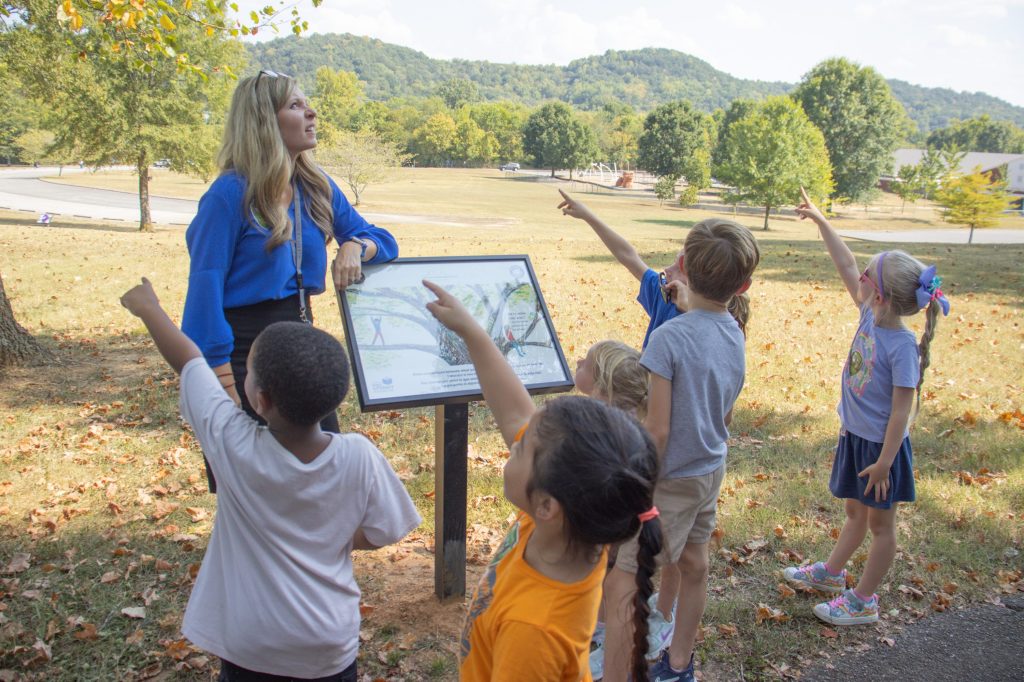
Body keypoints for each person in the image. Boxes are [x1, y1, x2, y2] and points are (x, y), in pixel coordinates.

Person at [120, 278, 421, 682]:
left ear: (259, 400)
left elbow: (191, 361)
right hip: (328, 644)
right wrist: (339, 536)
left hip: (251, 644)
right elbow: (387, 529)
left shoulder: (231, 443)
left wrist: (149, 308)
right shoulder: (358, 455)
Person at [422, 280, 662, 682]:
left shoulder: (533, 632)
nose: (514, 441)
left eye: (521, 449)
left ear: (548, 505)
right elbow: (516, 413)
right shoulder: (572, 524)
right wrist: (473, 332)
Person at [182, 70, 398, 490]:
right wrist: (227, 393)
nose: (312, 112)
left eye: (307, 103)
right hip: (243, 353)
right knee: (254, 492)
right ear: (265, 120)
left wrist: (355, 246)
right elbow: (203, 300)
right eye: (296, 106)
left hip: (301, 349)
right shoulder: (229, 196)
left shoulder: (314, 186)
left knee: (317, 482)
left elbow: (383, 240)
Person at [602, 218, 760, 682]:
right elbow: (726, 412)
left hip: (669, 478)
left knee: (623, 582)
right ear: (744, 285)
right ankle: (678, 665)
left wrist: (637, 482)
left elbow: (659, 429)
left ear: (684, 264)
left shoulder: (669, 338)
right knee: (694, 564)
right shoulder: (733, 329)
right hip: (710, 471)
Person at [783, 188, 948, 626]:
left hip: (882, 451)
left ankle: (864, 600)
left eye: (868, 275)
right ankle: (831, 575)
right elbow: (845, 262)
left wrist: (884, 464)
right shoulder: (868, 314)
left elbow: (901, 413)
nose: (859, 275)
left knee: (881, 528)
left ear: (882, 296)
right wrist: (821, 221)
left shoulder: (901, 348)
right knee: (854, 512)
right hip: (856, 438)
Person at [556, 190, 751, 346]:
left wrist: (687, 310)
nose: (667, 269)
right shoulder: (665, 296)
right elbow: (628, 256)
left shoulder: (707, 335)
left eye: (679, 267)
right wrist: (588, 216)